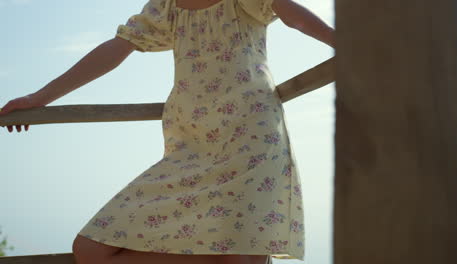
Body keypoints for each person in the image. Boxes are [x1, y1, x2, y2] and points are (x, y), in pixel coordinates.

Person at [0, 0, 334, 263]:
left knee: (238, 256)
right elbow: (113, 51)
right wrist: (39, 97)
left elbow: (296, 17)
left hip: (249, 139)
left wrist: (347, 45)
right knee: (91, 250)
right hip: (189, 146)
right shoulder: (166, 6)